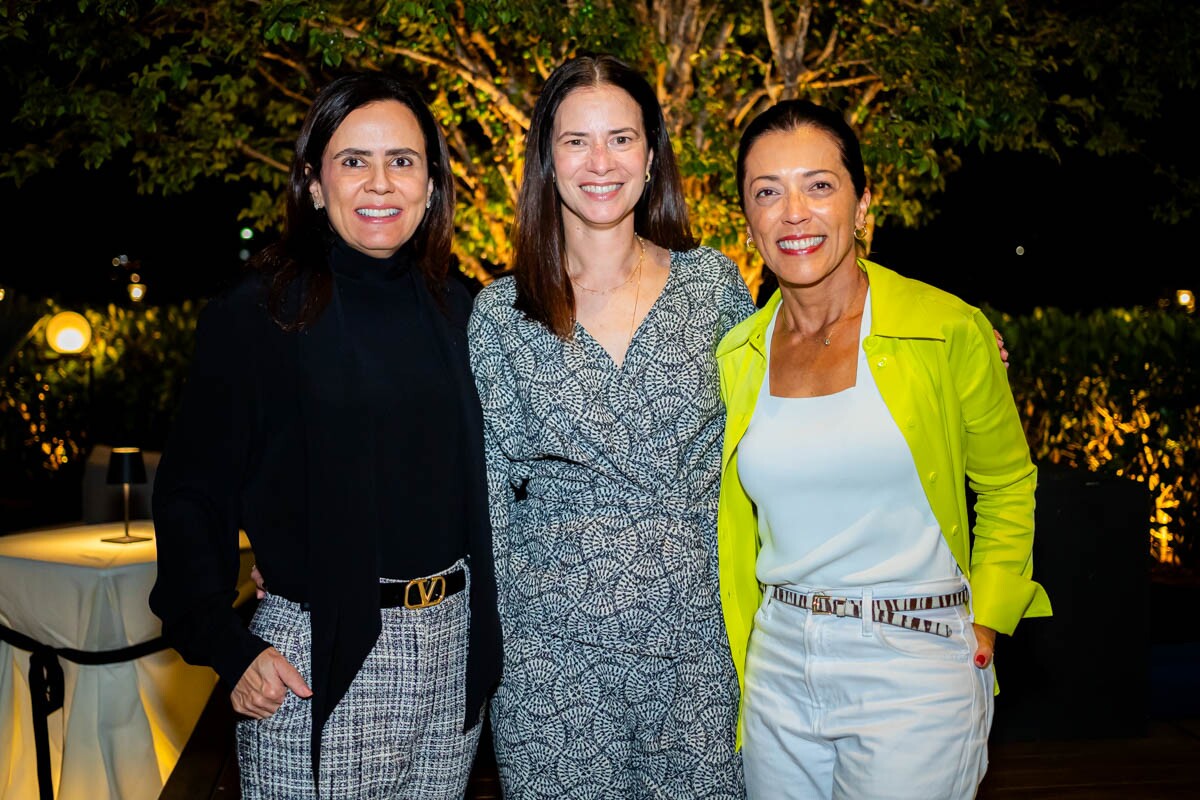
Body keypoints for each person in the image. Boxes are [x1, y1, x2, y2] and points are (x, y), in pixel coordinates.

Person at [149, 72, 501, 800]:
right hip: (319, 658)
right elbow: (191, 493)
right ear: (314, 184)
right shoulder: (258, 314)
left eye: (402, 161)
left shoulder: (461, 310)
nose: (380, 182)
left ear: (432, 185)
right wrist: (226, 642)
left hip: (452, 653)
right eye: (353, 160)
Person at [714, 98, 1052, 799]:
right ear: (748, 220)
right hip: (778, 662)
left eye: (820, 185)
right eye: (767, 192)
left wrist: (989, 614)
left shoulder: (947, 330)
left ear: (863, 203)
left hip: (914, 662)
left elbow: (1008, 483)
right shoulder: (738, 354)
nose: (794, 212)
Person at [466, 54, 755, 797]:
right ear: (546, 159)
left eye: (621, 139)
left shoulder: (714, 287)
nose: (601, 162)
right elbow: (487, 493)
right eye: (576, 141)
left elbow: (785, 412)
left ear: (652, 154)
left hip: (699, 647)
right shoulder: (501, 313)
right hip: (551, 659)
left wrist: (949, 349)